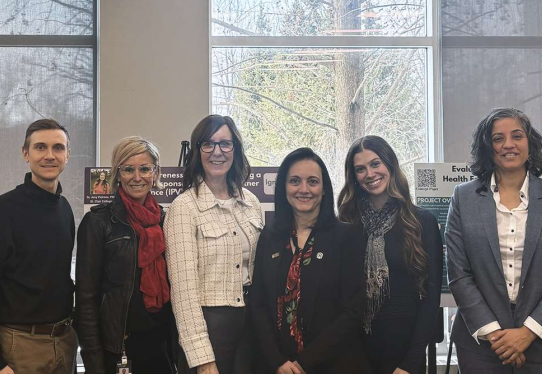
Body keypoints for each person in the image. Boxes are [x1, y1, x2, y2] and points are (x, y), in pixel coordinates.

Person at [446, 108, 542, 373]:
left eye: (517, 136)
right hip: (482, 346)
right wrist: (498, 337)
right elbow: (459, 275)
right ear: (488, 147)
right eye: (498, 138)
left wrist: (527, 333)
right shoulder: (464, 198)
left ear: (530, 144)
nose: (508, 144)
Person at [0, 119, 77, 374]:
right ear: (25, 154)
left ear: (68, 155)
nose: (49, 155)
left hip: (64, 341)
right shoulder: (2, 211)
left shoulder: (65, 209)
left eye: (58, 148)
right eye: (40, 147)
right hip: (19, 346)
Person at [248, 147, 368, 374]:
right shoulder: (270, 237)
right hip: (277, 366)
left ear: (324, 189)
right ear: (283, 187)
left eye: (312, 181)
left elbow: (353, 310)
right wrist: (278, 362)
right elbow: (259, 303)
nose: (304, 189)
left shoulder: (347, 237)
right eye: (295, 181)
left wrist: (304, 363)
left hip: (333, 364)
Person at [336, 135, 443, 374]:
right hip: (354, 353)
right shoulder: (346, 224)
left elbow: (430, 299)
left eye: (375, 164)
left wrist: (409, 364)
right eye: (360, 169)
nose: (370, 174)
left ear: (390, 165)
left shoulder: (421, 222)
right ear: (354, 177)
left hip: (404, 353)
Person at [166, 115, 263, 374]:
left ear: (235, 150)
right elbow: (184, 293)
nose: (217, 152)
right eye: (208, 144)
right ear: (198, 151)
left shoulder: (251, 202)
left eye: (225, 144)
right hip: (210, 327)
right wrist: (203, 359)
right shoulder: (184, 207)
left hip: (250, 326)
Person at [76, 136, 179, 373]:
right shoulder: (98, 222)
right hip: (118, 349)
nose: (137, 177)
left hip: (162, 347)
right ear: (117, 174)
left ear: (156, 173)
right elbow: (86, 300)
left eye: (144, 169)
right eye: (128, 169)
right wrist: (93, 362)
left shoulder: (167, 220)